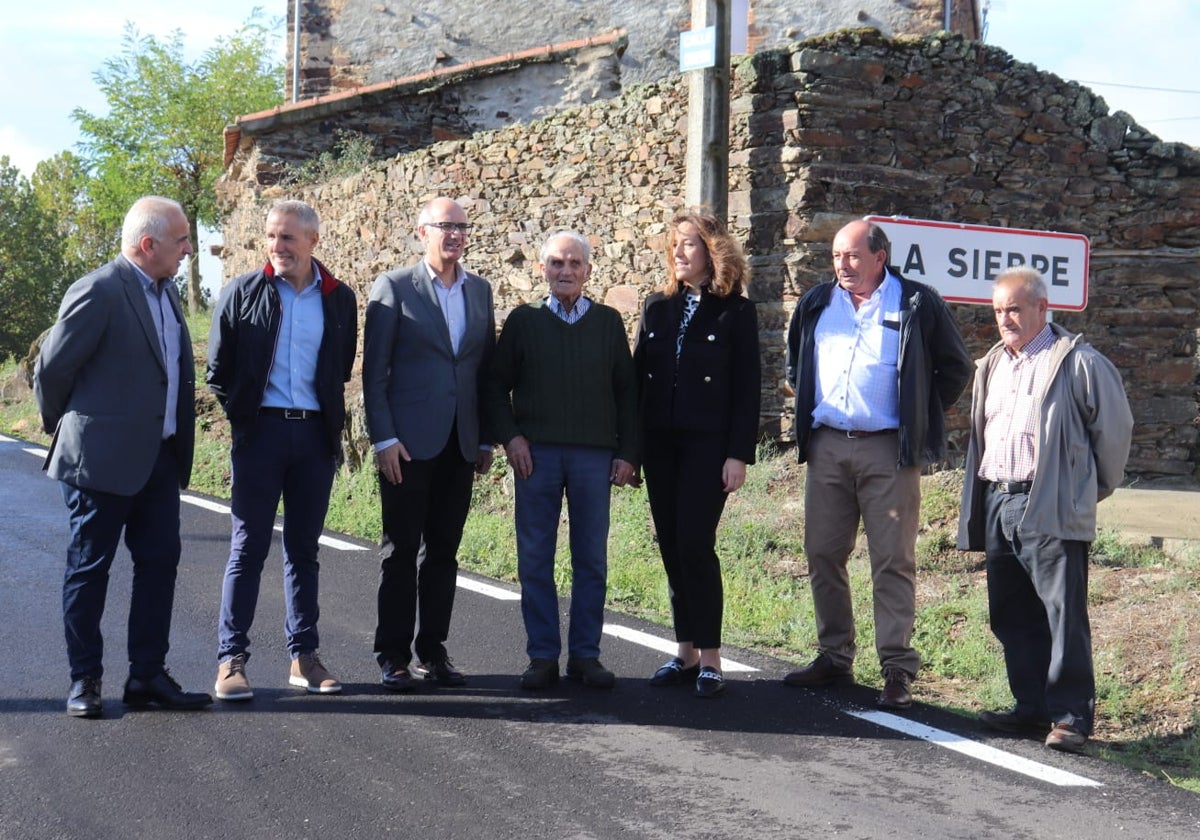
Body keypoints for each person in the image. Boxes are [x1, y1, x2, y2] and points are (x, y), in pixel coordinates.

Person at [783, 218, 973, 709]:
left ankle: (896, 669)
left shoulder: (914, 302)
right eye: (836, 257)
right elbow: (794, 363)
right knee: (822, 552)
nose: (842, 266)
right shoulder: (815, 303)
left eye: (851, 256)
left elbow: (956, 367)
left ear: (879, 256)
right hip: (827, 444)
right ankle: (834, 654)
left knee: (892, 560)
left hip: (889, 449)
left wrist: (919, 411)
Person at [34, 195, 212, 717]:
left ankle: (147, 676)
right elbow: (51, 370)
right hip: (101, 461)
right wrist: (73, 427)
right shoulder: (99, 290)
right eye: (181, 241)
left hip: (158, 458)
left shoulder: (168, 294)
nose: (189, 249)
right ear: (148, 244)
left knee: (159, 566)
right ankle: (85, 679)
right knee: (90, 569)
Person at [958, 267, 1133, 752]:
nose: (1005, 319)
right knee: (1012, 612)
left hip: (1048, 500)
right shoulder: (992, 363)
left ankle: (1072, 717)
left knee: (1062, 614)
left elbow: (1114, 435)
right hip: (998, 499)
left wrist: (1081, 491)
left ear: (1041, 308)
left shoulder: (1078, 362)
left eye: (1014, 308)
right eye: (998, 311)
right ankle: (1031, 709)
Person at [206, 199, 357, 700]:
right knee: (247, 548)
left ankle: (304, 658)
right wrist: (246, 418)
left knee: (303, 551)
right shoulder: (242, 292)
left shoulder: (339, 299)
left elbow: (338, 369)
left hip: (313, 436)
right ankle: (231, 661)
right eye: (271, 237)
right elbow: (218, 371)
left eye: (288, 238)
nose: (277, 246)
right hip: (260, 435)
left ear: (313, 240)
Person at [485, 231, 638, 691]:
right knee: (535, 558)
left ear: (589, 271)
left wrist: (629, 453)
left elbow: (628, 395)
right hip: (537, 456)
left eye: (574, 264)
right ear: (542, 269)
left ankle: (586, 656)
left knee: (591, 558)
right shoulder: (523, 321)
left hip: (594, 456)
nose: (565, 271)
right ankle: (543, 656)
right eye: (556, 263)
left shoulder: (609, 323)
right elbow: (494, 387)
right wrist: (511, 438)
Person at [362, 197, 496, 692]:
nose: (456, 235)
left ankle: (432, 651)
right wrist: (385, 438)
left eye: (462, 227)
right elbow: (374, 374)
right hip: (408, 445)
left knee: (444, 552)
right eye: (446, 226)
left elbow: (483, 369)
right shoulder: (394, 287)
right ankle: (393, 655)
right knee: (400, 551)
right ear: (422, 232)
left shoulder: (480, 291)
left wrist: (483, 437)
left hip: (460, 443)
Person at [633, 212, 761, 699]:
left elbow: (748, 390)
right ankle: (684, 651)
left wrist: (737, 455)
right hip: (660, 446)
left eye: (689, 244)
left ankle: (711, 657)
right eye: (674, 245)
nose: (678, 253)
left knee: (694, 542)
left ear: (713, 251)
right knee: (670, 544)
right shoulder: (656, 308)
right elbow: (636, 380)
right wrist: (631, 452)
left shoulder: (736, 312)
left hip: (708, 448)